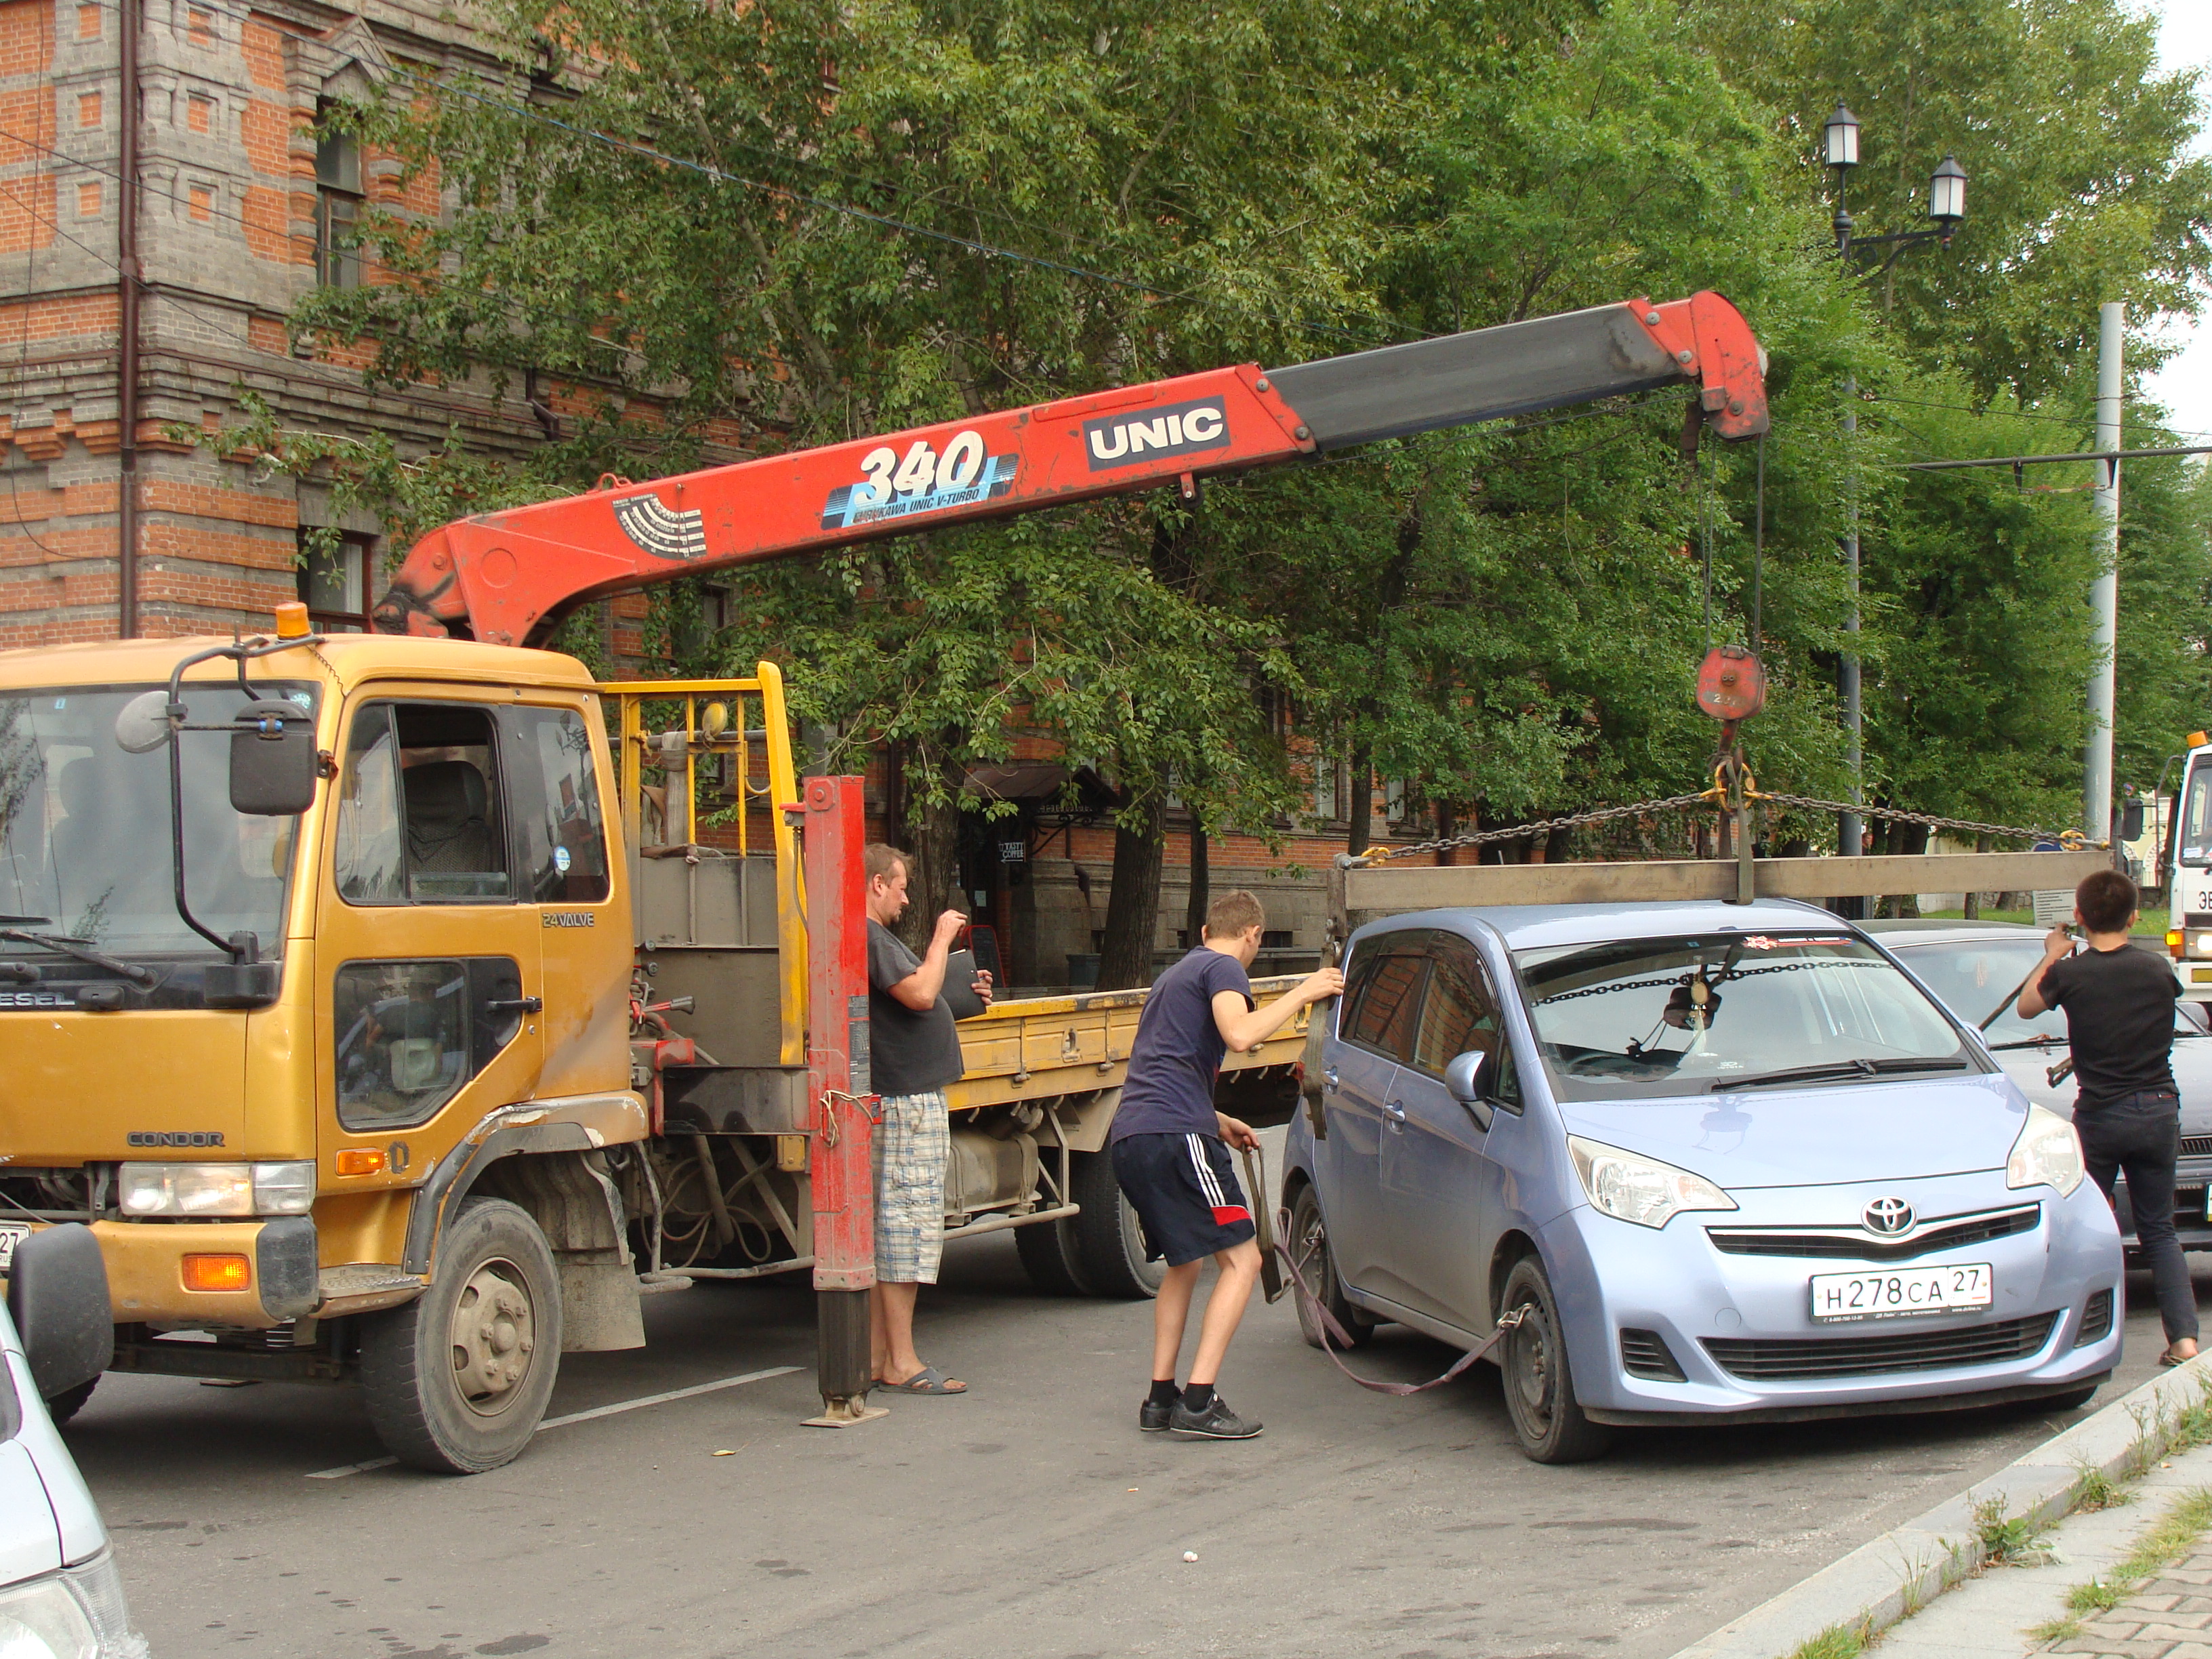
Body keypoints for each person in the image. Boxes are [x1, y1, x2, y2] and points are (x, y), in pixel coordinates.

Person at [1109, 890, 1344, 1439]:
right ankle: (1199, 1400)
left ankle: (1160, 1399)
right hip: (1174, 1136)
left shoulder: (1176, 975)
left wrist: (1216, 1120)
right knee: (1242, 1260)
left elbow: (1164, 1067)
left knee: (1185, 1264)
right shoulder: (1223, 969)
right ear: (1252, 936)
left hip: (1132, 1137)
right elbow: (1240, 1035)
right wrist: (1304, 992)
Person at [2018, 868, 2200, 1366]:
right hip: (2158, 1111)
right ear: (2135, 915)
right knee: (2159, 1230)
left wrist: (2053, 954)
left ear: (2078, 917)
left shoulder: (2071, 974)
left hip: (2100, 1116)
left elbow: (2026, 1008)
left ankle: (2080, 1338)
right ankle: (2184, 1342)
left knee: (2087, 1229)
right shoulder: (2157, 969)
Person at [863, 842, 994, 1395]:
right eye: (899, 887)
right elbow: (918, 994)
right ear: (876, 885)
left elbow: (919, 996)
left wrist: (961, 992)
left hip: (903, 1100)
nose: (905, 897)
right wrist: (941, 939)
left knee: (894, 1232)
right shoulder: (868, 934)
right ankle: (901, 1361)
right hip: (905, 1103)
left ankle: (875, 1357)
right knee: (905, 1232)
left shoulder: (877, 939)